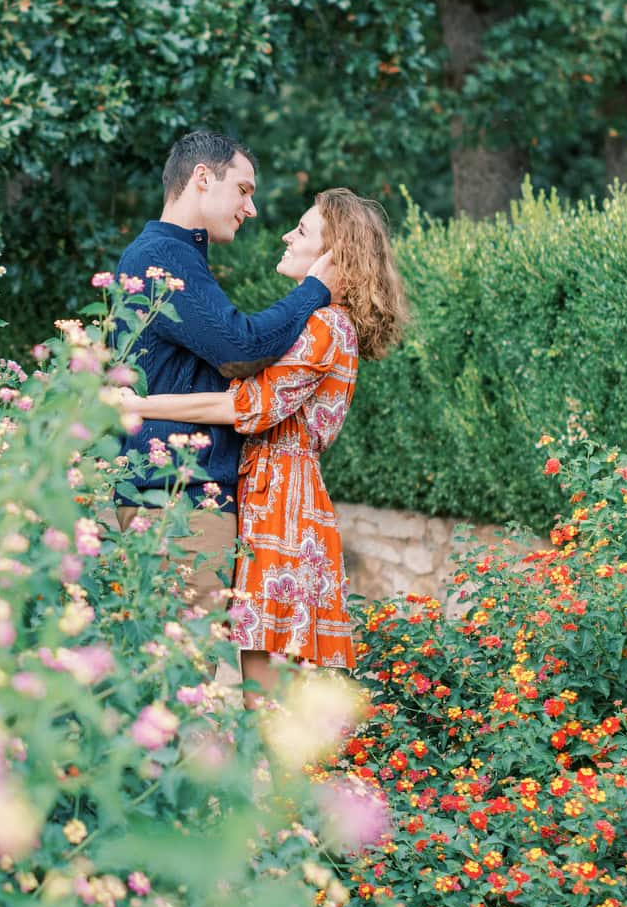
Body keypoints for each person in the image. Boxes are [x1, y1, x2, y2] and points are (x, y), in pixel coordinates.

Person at [121, 188, 409, 701]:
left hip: (284, 507)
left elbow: (239, 407)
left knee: (268, 700)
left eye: (301, 231)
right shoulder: (318, 324)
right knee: (260, 688)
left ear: (332, 256)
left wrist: (137, 404)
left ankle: (283, 782)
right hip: (271, 497)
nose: (285, 235)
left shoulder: (324, 326)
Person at [111, 129, 337, 612]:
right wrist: (315, 289)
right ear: (202, 177)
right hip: (177, 500)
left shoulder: (173, 255)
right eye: (244, 189)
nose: (250, 209)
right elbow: (240, 346)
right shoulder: (163, 257)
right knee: (185, 671)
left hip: (171, 496)